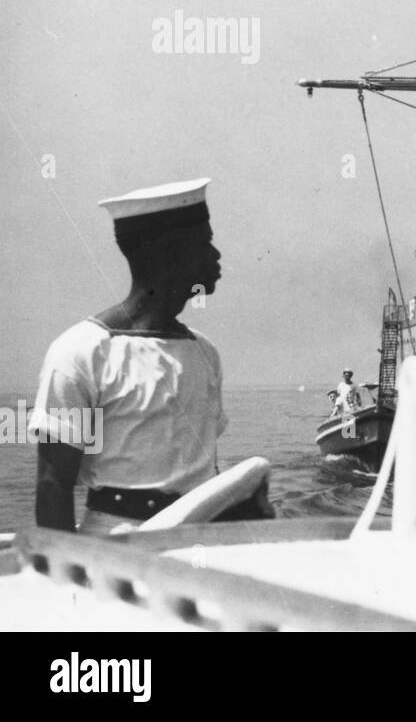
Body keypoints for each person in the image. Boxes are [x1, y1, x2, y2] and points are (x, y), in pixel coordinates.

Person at [32, 178, 272, 534]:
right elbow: (53, 486)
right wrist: (74, 566)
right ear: (172, 254)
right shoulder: (80, 352)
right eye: (205, 243)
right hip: (114, 545)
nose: (216, 255)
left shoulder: (203, 352)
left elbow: (200, 472)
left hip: (196, 542)